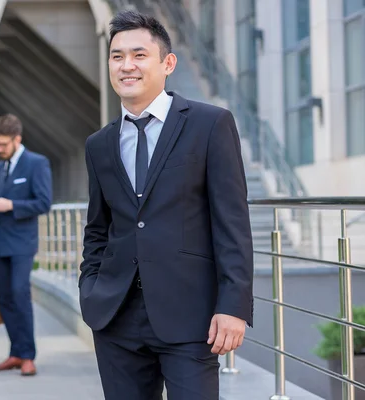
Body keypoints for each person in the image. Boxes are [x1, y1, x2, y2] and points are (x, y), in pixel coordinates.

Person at [79, 10, 254, 400]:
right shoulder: (99, 144)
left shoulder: (210, 124)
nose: (127, 66)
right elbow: (98, 228)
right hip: (115, 317)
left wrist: (234, 306)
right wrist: (89, 288)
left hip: (192, 318)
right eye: (117, 56)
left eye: (139, 55)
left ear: (167, 63)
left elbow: (232, 224)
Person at [0, 114, 52, 377]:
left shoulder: (37, 163)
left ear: (17, 139)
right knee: (4, 300)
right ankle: (15, 352)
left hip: (23, 243)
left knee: (20, 294)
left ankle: (28, 356)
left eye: (2, 144)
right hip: (0, 244)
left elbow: (44, 203)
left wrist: (11, 205)